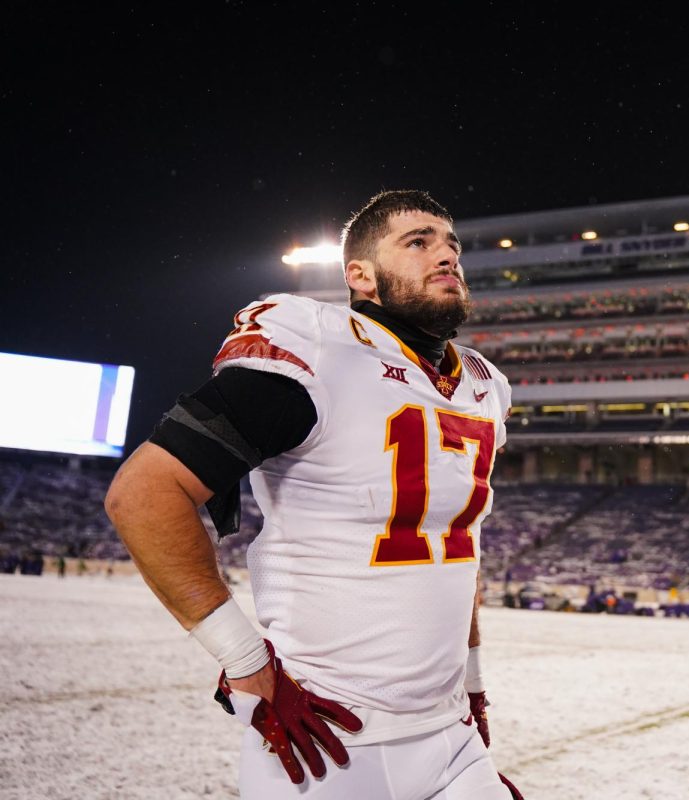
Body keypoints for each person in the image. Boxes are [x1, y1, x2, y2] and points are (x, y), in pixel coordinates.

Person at [106, 190, 520, 799]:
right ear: (360, 275)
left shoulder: (485, 386)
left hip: (448, 732)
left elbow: (458, 549)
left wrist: (475, 682)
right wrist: (244, 662)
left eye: (452, 245)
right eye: (419, 242)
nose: (446, 255)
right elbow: (143, 493)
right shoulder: (319, 344)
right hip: (324, 740)